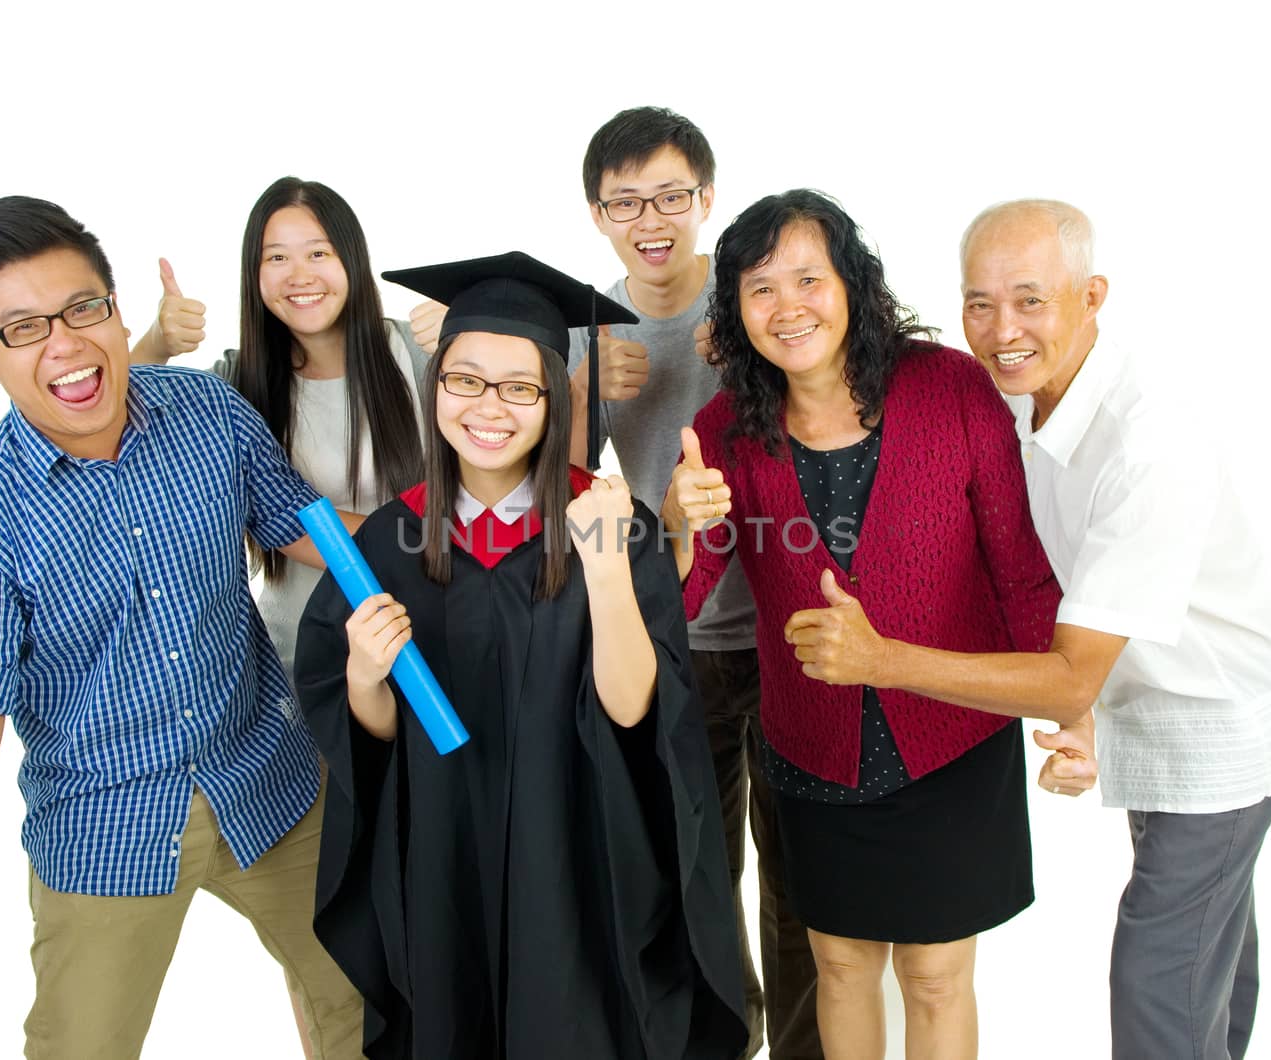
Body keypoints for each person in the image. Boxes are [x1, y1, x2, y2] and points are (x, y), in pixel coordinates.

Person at [0, 196, 363, 1058]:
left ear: (115, 307)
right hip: (109, 826)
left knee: (367, 999)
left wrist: (473, 539)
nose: (63, 344)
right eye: (22, 328)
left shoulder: (206, 415)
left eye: (81, 308)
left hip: (272, 779)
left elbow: (305, 527)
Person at [860, 198, 1271, 1058]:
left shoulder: (1150, 442)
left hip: (1222, 730)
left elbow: (1072, 669)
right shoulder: (1028, 405)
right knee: (1210, 961)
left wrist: (880, 660)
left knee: (1158, 971)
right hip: (1152, 711)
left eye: (1030, 300)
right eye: (979, 303)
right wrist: (1091, 720)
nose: (1001, 330)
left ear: (1092, 295)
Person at [410, 106, 817, 1059]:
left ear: (706, 199)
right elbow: (539, 471)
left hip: (789, 630)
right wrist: (589, 395)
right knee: (692, 872)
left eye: (672, 196)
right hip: (666, 633)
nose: (652, 218)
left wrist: (757, 352)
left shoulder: (760, 306)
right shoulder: (578, 326)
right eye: (625, 201)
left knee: (800, 886)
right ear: (597, 214)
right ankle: (722, 1041)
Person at [294, 251, 749, 1059]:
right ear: (434, 387)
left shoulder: (615, 522)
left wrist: (606, 572)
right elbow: (371, 736)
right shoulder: (392, 543)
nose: (488, 408)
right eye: (464, 379)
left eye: (518, 386)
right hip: (442, 847)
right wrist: (365, 674)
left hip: (576, 845)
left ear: (552, 397)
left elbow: (637, 711)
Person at [663, 189, 1063, 1060]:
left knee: (934, 976)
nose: (787, 306)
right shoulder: (722, 429)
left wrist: (1074, 711)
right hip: (812, 746)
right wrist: (678, 525)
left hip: (953, 736)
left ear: (852, 284)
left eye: (809, 277)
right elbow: (684, 602)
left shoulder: (950, 385)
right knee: (840, 967)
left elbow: (1020, 568)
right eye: (759, 288)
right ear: (734, 310)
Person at [133, 176, 426, 678]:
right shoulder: (234, 385)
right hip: (299, 660)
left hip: (422, 644)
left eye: (317, 254)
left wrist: (471, 339)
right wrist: (156, 345)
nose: (299, 276)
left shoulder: (417, 354)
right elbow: (118, 417)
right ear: (254, 273)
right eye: (276, 258)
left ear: (352, 259)